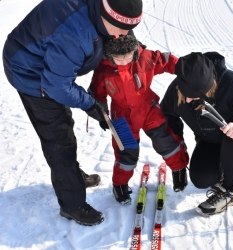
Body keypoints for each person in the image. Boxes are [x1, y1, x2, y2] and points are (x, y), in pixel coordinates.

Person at [2, 0, 143, 226]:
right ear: (107, 18)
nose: (125, 35)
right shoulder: (76, 34)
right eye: (122, 30)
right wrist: (90, 104)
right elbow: (56, 86)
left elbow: (112, 36)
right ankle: (72, 203)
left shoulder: (102, 14)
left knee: (64, 123)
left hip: (48, 63)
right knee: (59, 140)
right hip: (29, 70)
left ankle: (72, 177)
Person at [160, 52, 233, 216]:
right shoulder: (177, 89)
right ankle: (223, 168)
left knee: (232, 139)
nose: (186, 100)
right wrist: (177, 162)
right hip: (211, 139)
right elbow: (167, 119)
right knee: (201, 179)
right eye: (185, 94)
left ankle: (228, 191)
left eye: (193, 96)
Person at [89, 35, 189, 204]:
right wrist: (101, 114)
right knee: (126, 152)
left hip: (148, 108)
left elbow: (166, 60)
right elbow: (96, 94)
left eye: (128, 56)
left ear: (134, 51)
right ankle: (119, 185)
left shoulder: (145, 58)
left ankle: (179, 171)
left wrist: (186, 69)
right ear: (109, 55)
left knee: (166, 140)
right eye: (118, 58)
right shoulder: (103, 70)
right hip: (122, 116)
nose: (124, 61)